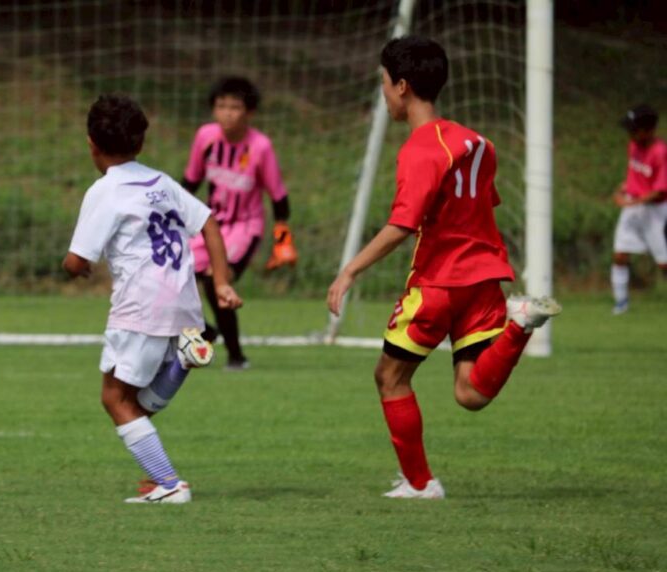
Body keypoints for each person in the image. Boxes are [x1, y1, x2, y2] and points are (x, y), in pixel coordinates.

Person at [326, 36, 562, 500]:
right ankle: (519, 326)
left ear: (402, 86)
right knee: (470, 392)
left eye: (384, 83)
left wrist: (349, 270)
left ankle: (420, 484)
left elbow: (402, 224)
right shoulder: (480, 143)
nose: (383, 93)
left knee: (390, 378)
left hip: (439, 283)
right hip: (485, 281)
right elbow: (483, 204)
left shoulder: (420, 149)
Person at [63, 94, 242, 504]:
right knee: (136, 402)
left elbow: (76, 261)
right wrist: (221, 284)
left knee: (114, 399)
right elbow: (209, 222)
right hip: (185, 304)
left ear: (91, 143)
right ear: (141, 142)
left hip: (141, 306)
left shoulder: (105, 190)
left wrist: (74, 267)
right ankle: (180, 363)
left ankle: (169, 483)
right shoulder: (160, 182)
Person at [181, 76, 295, 370]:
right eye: (221, 106)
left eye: (235, 107)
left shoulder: (260, 147)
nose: (227, 113)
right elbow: (190, 182)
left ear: (249, 112)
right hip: (210, 226)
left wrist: (283, 242)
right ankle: (206, 331)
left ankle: (236, 356)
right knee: (172, 276)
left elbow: (278, 196)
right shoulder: (206, 137)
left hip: (245, 229)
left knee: (215, 280)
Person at [609, 103, 667, 315]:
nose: (631, 134)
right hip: (634, 207)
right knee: (620, 255)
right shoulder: (633, 146)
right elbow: (636, 177)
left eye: (634, 130)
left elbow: (659, 191)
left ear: (649, 130)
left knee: (664, 264)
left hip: (656, 212)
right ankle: (621, 303)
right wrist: (622, 190)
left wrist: (629, 203)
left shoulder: (660, 152)